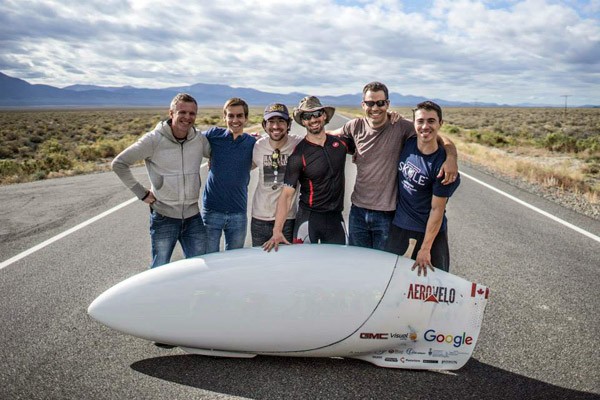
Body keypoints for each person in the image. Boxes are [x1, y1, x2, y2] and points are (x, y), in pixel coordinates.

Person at [333, 81, 458, 250]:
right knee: (358, 263)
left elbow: (435, 135)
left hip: (387, 213)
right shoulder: (355, 126)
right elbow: (328, 136)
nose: (375, 108)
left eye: (380, 103)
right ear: (363, 105)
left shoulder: (401, 126)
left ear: (387, 104)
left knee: (383, 268)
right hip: (358, 210)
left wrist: (451, 157)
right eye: (370, 103)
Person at [112, 93, 210, 268]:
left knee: (200, 267)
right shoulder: (153, 140)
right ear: (171, 113)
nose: (187, 117)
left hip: (193, 217)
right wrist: (141, 193)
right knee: (159, 268)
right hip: (164, 218)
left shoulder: (199, 139)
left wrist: (248, 141)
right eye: (182, 112)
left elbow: (220, 154)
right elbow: (119, 163)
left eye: (192, 113)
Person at [263, 96, 355, 252]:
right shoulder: (299, 155)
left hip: (335, 218)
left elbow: (367, 143)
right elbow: (286, 195)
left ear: (324, 115)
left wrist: (391, 119)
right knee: (302, 269)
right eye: (307, 116)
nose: (313, 119)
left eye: (317, 114)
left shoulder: (341, 143)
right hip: (309, 219)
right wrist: (277, 231)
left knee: (336, 267)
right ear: (303, 121)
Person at [385, 101, 460, 276]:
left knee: (429, 287)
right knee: (392, 282)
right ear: (414, 124)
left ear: (441, 124)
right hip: (400, 228)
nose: (425, 126)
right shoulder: (408, 143)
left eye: (431, 121)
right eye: (420, 121)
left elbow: (437, 210)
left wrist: (426, 248)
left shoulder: (443, 166)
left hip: (428, 234)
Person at [202, 97, 256, 253]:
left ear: (246, 118)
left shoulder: (251, 143)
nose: (235, 120)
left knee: (233, 261)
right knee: (209, 259)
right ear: (224, 117)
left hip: (238, 212)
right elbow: (190, 138)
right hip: (212, 211)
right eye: (230, 115)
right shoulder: (213, 135)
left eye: (239, 116)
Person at [250, 103, 303, 246]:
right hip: (260, 218)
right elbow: (239, 166)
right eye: (271, 121)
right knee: (261, 262)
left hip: (288, 219)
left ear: (288, 124)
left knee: (285, 264)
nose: (276, 126)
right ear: (264, 125)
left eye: (281, 121)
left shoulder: (298, 144)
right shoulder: (257, 146)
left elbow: (319, 138)